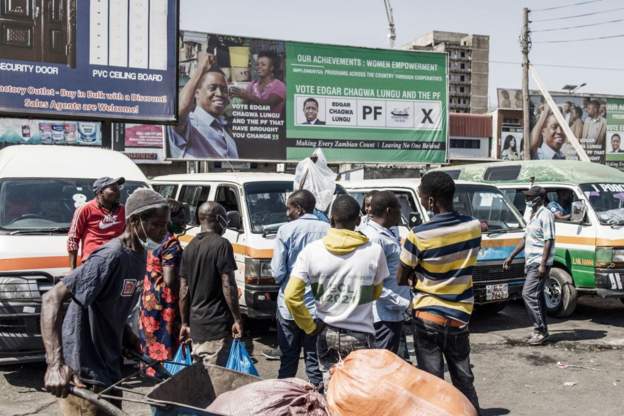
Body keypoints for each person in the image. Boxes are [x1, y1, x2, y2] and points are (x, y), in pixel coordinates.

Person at [41, 189, 170, 414]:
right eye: (156, 225)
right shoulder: (110, 256)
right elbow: (51, 298)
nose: (163, 232)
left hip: (109, 368)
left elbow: (110, 304)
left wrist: (127, 338)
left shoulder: (139, 255)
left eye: (165, 225)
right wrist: (54, 365)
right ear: (134, 221)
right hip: (85, 373)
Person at [398, 171, 482, 411]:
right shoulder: (473, 227)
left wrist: (418, 275)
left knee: (432, 383)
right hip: (459, 317)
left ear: (432, 201)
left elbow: (401, 276)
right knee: (464, 380)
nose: (423, 201)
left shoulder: (419, 235)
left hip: (428, 316)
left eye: (423, 197)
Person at [284, 195, 388, 385]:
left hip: (326, 332)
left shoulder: (311, 251)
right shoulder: (374, 251)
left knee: (331, 389)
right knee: (360, 393)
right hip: (361, 334)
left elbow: (291, 297)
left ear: (331, 220)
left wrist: (310, 326)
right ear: (358, 220)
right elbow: (376, 293)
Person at [271, 190, 328, 389]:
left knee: (288, 359)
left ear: (299, 208)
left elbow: (278, 271)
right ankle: (319, 402)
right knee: (314, 360)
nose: (287, 213)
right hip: (317, 307)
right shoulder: (328, 229)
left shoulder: (285, 231)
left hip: (289, 306)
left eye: (289, 208)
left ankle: (282, 402)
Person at [179, 202, 243, 368]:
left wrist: (185, 323)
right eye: (225, 220)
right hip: (216, 326)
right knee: (215, 381)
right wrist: (237, 318)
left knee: (200, 380)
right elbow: (228, 284)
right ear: (218, 219)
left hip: (196, 327)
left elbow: (183, 290)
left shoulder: (189, 247)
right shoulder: (222, 244)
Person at [139, 199, 190, 376]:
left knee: (151, 339)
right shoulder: (170, 243)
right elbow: (169, 279)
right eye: (182, 218)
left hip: (149, 298)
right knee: (166, 343)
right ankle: (166, 378)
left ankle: (153, 373)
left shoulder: (150, 238)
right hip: (165, 302)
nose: (184, 223)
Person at [359, 191, 411, 353]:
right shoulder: (375, 238)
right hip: (383, 316)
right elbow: (370, 283)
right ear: (389, 211)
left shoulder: (385, 232)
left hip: (391, 313)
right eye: (399, 209)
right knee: (381, 368)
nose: (400, 214)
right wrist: (403, 304)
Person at [504, 186, 554, 346]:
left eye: (531, 197)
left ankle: (541, 330)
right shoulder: (532, 215)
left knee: (528, 294)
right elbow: (525, 238)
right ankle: (539, 330)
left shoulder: (546, 214)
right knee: (537, 297)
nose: (528, 200)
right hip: (531, 261)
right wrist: (511, 256)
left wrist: (542, 264)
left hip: (539, 263)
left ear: (540, 198)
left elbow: (549, 240)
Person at [169, 52, 238, 159]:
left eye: (224, 89)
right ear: (196, 93)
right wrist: (201, 68)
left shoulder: (226, 133)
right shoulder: (190, 123)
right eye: (212, 88)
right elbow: (177, 113)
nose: (219, 94)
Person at [67, 177, 126, 269]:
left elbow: (129, 237)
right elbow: (73, 239)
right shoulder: (85, 209)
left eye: (118, 189)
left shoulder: (123, 210)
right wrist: (73, 271)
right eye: (113, 189)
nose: (118, 192)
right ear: (100, 192)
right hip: (93, 263)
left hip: (118, 262)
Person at [231, 50, 286, 116]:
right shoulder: (252, 85)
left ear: (271, 68)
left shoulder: (279, 86)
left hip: (272, 125)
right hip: (253, 125)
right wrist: (239, 97)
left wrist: (248, 96)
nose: (259, 67)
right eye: (257, 64)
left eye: (263, 65)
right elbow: (245, 108)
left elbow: (268, 105)